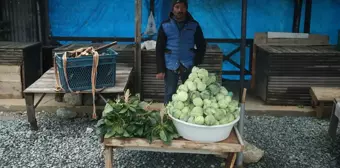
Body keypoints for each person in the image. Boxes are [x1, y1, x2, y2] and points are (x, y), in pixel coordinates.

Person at [155, 0, 207, 105]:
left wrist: (196, 62)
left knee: (191, 93)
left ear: (186, 9)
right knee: (170, 93)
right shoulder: (165, 25)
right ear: (172, 9)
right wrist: (160, 69)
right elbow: (159, 48)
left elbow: (202, 45)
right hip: (170, 64)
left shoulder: (194, 25)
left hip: (188, 64)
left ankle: (187, 119)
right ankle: (167, 117)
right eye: (177, 7)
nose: (180, 10)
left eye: (183, 7)